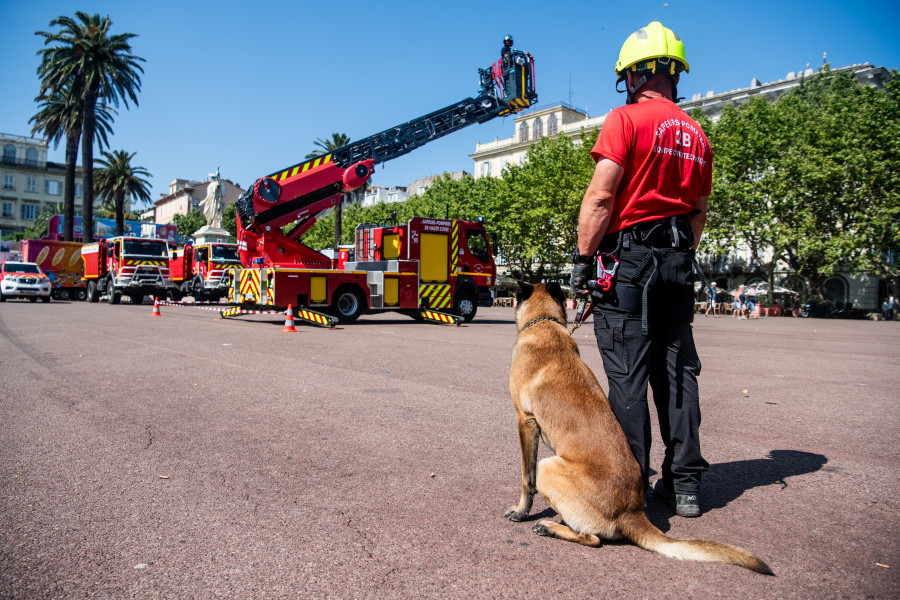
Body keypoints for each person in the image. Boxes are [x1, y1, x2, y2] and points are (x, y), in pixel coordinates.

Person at [569, 21, 711, 517]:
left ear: (633, 76)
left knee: (627, 377)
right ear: (675, 73)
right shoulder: (697, 134)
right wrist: (679, 257)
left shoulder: (625, 120)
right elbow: (698, 212)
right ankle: (686, 484)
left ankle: (631, 489)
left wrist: (583, 261)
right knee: (677, 373)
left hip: (629, 262)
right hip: (677, 261)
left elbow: (602, 195)